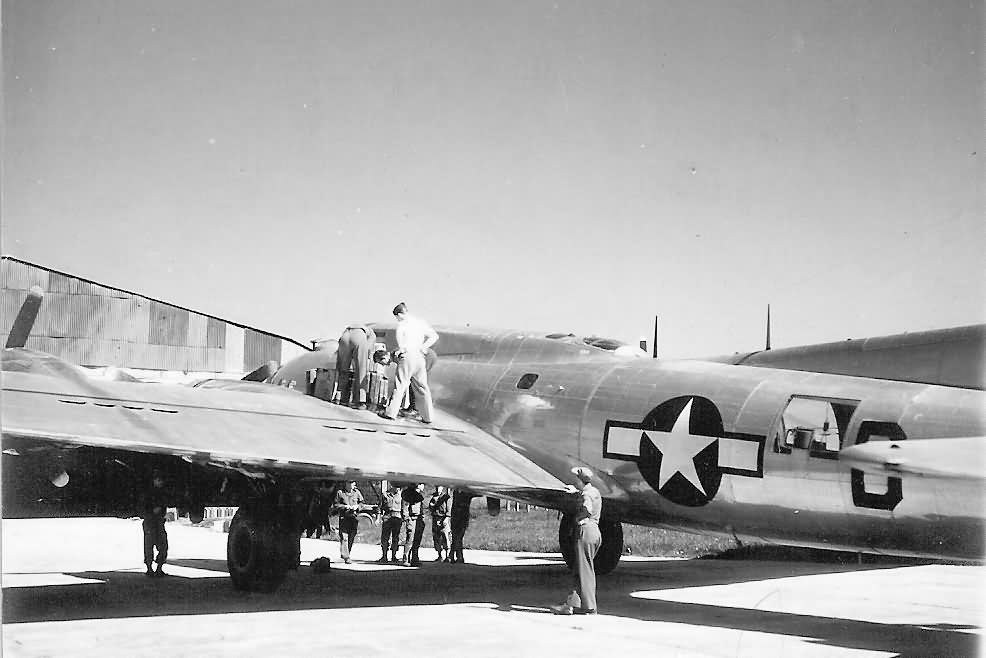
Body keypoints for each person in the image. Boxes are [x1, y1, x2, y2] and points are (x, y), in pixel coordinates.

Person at [551, 467, 602, 615]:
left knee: (583, 571)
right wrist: (576, 493)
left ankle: (589, 607)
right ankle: (572, 604)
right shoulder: (595, 492)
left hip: (585, 531)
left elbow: (587, 508)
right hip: (595, 531)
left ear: (579, 480)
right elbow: (590, 499)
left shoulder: (586, 495)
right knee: (582, 570)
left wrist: (578, 518)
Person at [379, 303, 438, 424]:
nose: (397, 319)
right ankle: (428, 417)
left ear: (400, 314)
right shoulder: (420, 322)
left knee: (400, 385)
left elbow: (401, 345)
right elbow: (434, 336)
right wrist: (423, 347)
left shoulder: (402, 325)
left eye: (397, 317)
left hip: (408, 357)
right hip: (420, 357)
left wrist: (401, 350)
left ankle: (390, 413)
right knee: (423, 388)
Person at [336, 325, 378, 409]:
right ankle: (360, 401)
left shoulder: (354, 328)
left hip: (344, 336)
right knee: (361, 371)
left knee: (343, 370)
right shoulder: (372, 334)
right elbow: (367, 348)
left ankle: (339, 397)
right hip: (358, 337)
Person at [140, 468, 171, 577]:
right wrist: (151, 511)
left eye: (161, 480)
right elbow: (143, 507)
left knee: (163, 545)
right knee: (149, 546)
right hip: (150, 521)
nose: (160, 482)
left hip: (158, 521)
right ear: (154, 480)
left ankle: (158, 568)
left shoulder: (162, 492)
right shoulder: (148, 493)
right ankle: (149, 568)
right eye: (158, 480)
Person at [333, 480, 365, 564]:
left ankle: (346, 553)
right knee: (344, 537)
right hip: (344, 518)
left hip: (354, 518)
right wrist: (344, 507)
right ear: (346, 484)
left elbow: (362, 503)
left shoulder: (357, 493)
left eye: (352, 483)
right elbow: (336, 505)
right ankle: (346, 557)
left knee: (351, 537)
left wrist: (357, 507)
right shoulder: (340, 493)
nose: (351, 485)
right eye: (349, 483)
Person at [400, 483, 426, 566]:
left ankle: (415, 559)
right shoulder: (407, 495)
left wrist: (422, 519)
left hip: (418, 519)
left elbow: (421, 508)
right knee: (410, 540)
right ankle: (406, 559)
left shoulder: (418, 496)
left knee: (417, 540)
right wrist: (407, 519)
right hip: (411, 519)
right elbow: (405, 508)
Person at [378, 483, 404, 563]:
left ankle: (394, 555)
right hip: (387, 516)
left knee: (395, 537)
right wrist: (378, 518)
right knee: (385, 537)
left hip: (397, 516)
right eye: (396, 487)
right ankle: (384, 556)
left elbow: (404, 507)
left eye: (399, 487)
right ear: (392, 486)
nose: (398, 489)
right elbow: (380, 507)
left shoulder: (401, 495)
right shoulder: (385, 495)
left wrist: (404, 517)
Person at [449, 489, 474, 564]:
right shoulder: (465, 496)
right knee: (458, 538)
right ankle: (458, 556)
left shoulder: (458, 495)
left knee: (456, 538)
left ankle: (453, 555)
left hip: (457, 519)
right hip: (460, 519)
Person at [428, 485, 452, 562]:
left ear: (442, 488)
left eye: (440, 487)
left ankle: (447, 556)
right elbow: (430, 508)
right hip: (435, 518)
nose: (438, 489)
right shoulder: (433, 497)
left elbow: (449, 509)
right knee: (436, 537)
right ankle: (439, 555)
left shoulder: (446, 497)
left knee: (445, 537)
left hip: (443, 518)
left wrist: (447, 518)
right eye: (437, 487)